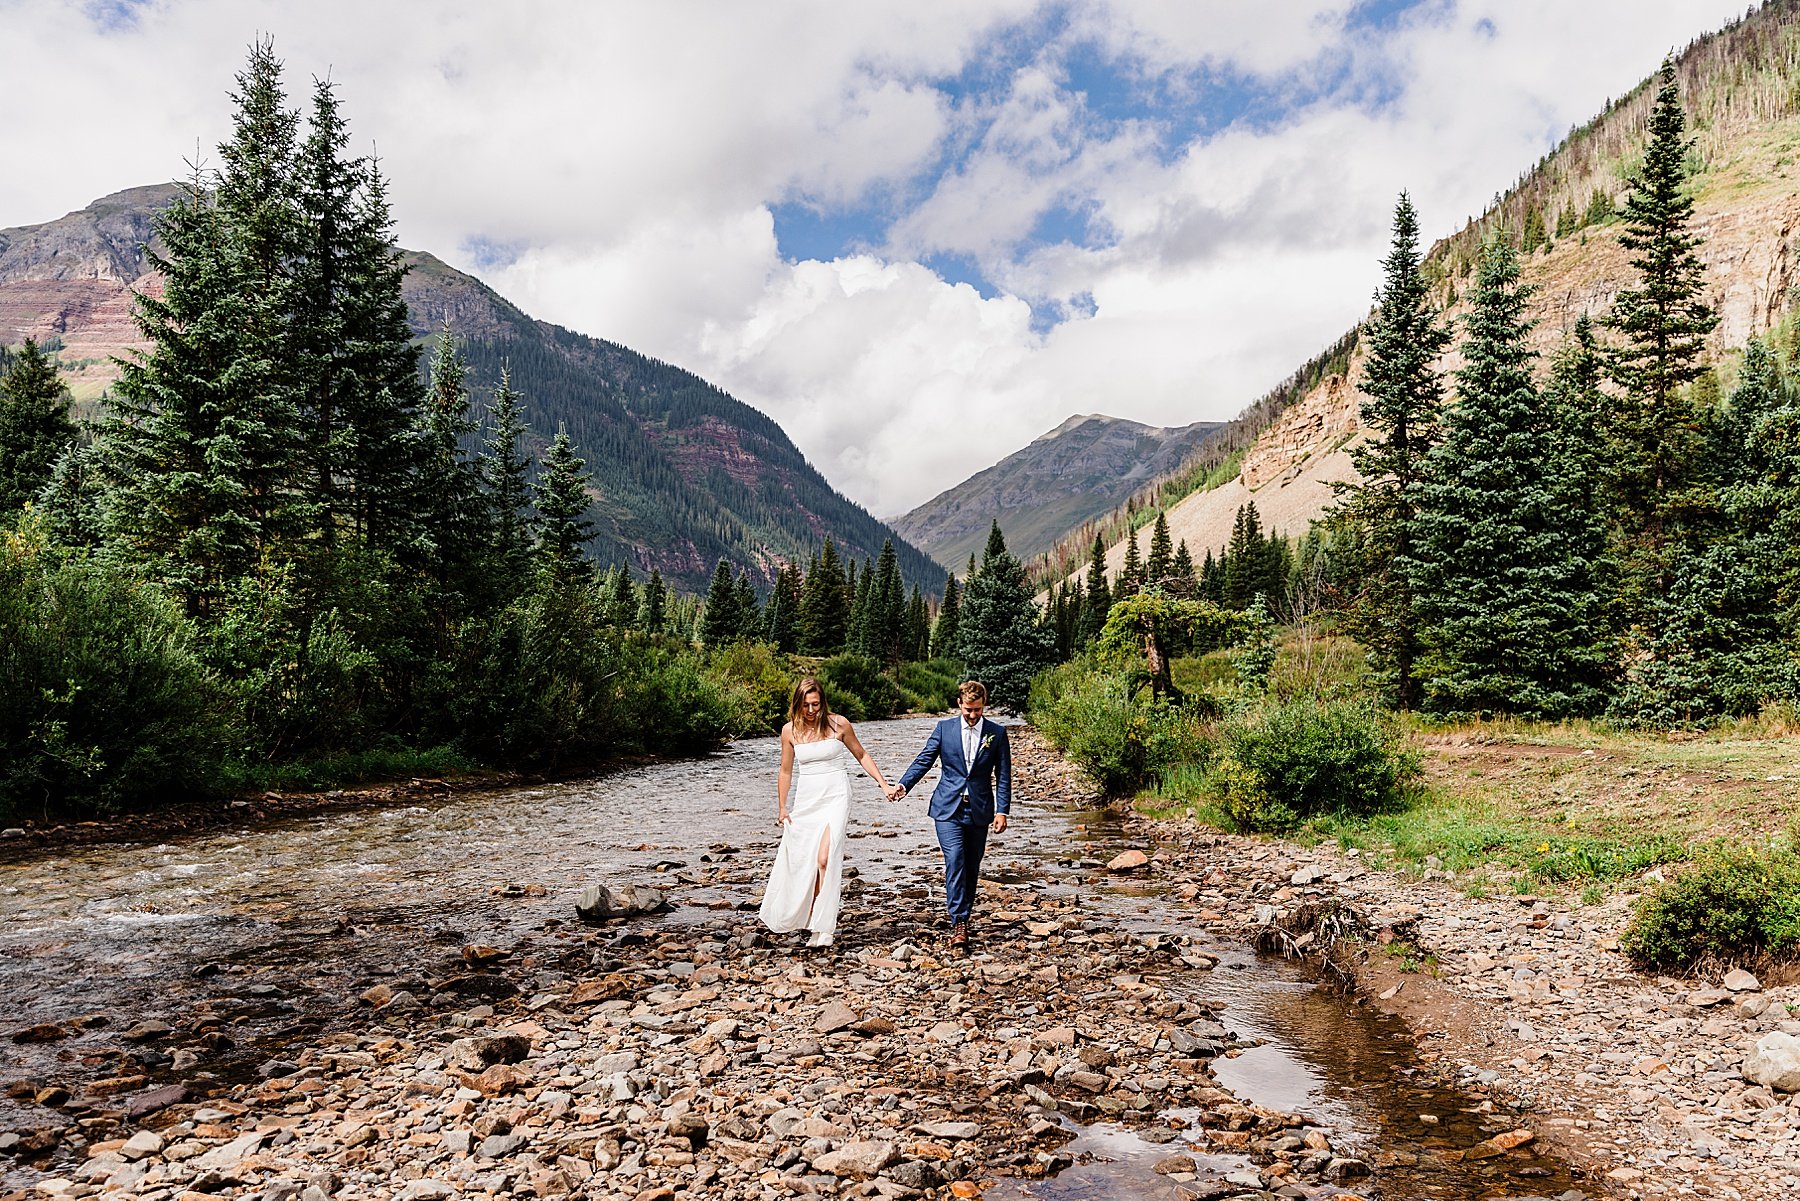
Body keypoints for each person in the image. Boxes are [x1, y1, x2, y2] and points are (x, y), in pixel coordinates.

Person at [758, 677, 897, 948]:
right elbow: (785, 770)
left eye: (816, 705)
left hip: (836, 795)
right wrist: (782, 806)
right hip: (808, 800)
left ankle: (825, 925)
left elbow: (861, 755)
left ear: (823, 703)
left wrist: (883, 784)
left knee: (825, 858)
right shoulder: (790, 731)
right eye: (806, 706)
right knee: (806, 861)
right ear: (797, 705)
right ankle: (813, 921)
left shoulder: (839, 724)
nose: (812, 711)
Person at [889, 680, 1011, 950]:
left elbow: (1003, 776)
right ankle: (959, 921)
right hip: (947, 808)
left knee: (971, 865)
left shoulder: (997, 733)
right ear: (959, 704)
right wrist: (903, 785)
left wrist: (1002, 810)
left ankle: (963, 914)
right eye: (968, 709)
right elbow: (925, 759)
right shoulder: (945, 729)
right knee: (955, 858)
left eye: (977, 710)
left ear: (983, 706)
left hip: (979, 810)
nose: (972, 715)